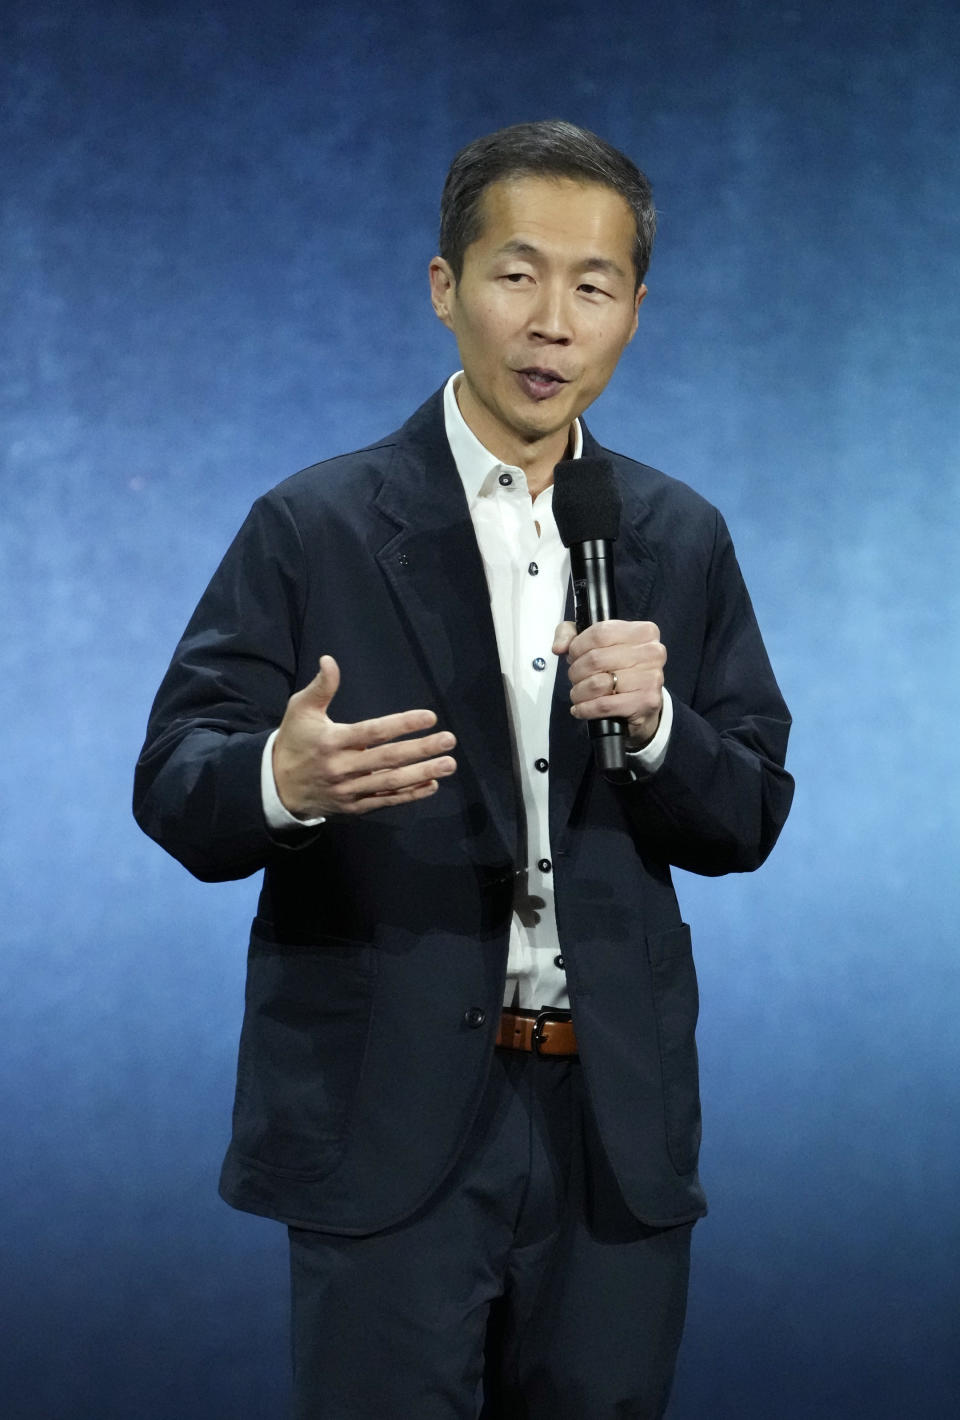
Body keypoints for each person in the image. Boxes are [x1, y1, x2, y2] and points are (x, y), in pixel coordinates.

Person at [134, 119, 794, 1419]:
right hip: (392, 1116)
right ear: (445, 289)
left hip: (612, 1125)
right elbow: (177, 779)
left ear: (634, 312)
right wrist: (285, 778)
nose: (553, 321)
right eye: (517, 273)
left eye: (593, 285)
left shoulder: (676, 534)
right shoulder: (315, 524)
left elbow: (750, 811)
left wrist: (661, 730)